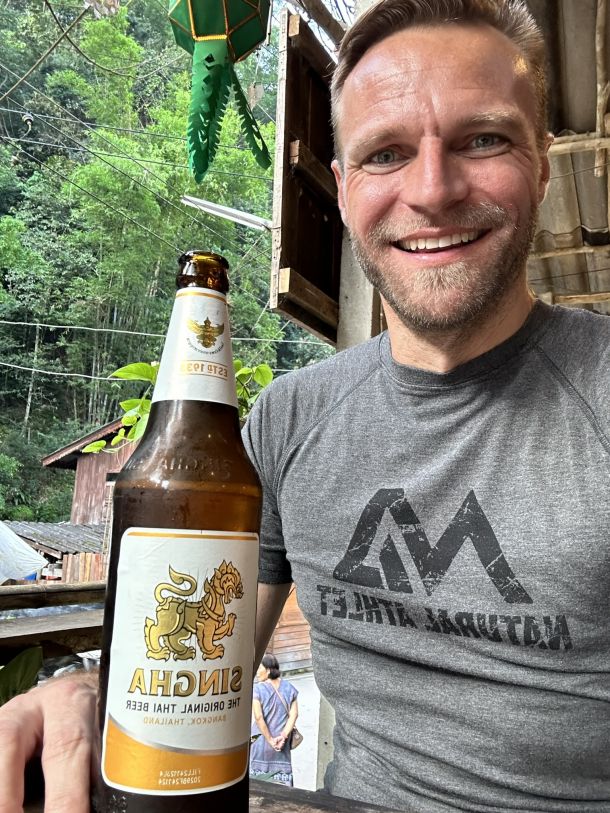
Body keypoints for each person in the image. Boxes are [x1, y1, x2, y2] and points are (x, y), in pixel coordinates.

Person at [0, 0, 608, 811]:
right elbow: (204, 657)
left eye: (483, 139)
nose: (432, 189)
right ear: (346, 190)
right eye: (386, 153)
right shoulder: (289, 418)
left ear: (542, 164)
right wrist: (87, 694)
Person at [249, 653, 299, 786]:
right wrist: (283, 736)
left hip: (260, 741)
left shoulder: (257, 690)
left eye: (259, 668)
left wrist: (270, 739)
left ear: (268, 670)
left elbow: (258, 717)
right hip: (282, 744)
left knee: (256, 785)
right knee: (281, 785)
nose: (257, 672)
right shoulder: (290, 689)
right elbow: (294, 715)